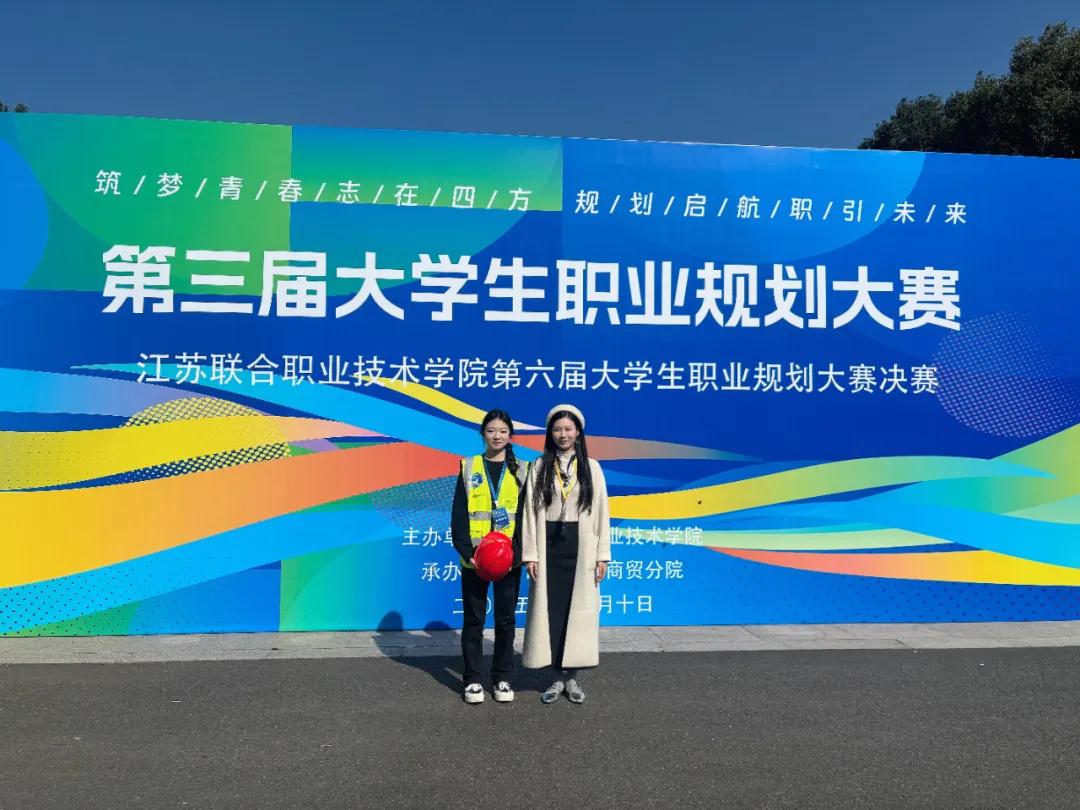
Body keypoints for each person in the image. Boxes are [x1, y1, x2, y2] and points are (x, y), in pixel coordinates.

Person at [521, 404, 610, 704]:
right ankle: (555, 678)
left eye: (568, 429)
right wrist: (531, 554)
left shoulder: (592, 468)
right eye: (557, 429)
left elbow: (602, 513)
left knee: (578, 613)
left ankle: (572, 678)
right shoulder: (539, 466)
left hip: (580, 546)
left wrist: (602, 555)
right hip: (548, 546)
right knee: (553, 612)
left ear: (578, 433)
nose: (563, 434)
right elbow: (529, 512)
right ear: (550, 433)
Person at [450, 409, 526, 704]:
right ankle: (472, 680)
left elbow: (527, 516)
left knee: (506, 620)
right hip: (475, 561)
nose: (497, 436)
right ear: (483, 434)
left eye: (503, 431)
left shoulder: (522, 470)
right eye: (491, 430)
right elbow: (458, 514)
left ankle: (503, 677)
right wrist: (467, 552)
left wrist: (516, 553)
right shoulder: (469, 466)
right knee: (474, 620)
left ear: (510, 436)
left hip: (509, 560)